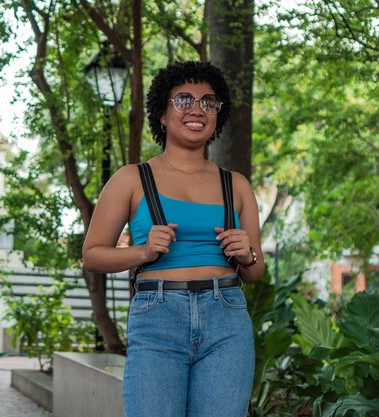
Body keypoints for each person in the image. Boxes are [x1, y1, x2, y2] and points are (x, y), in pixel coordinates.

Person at [82, 61, 265, 417]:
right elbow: (92, 255)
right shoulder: (131, 179)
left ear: (216, 115)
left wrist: (248, 256)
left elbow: (255, 273)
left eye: (208, 102)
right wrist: (143, 251)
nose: (197, 109)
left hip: (226, 318)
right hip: (157, 316)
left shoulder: (237, 185)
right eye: (183, 100)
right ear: (163, 115)